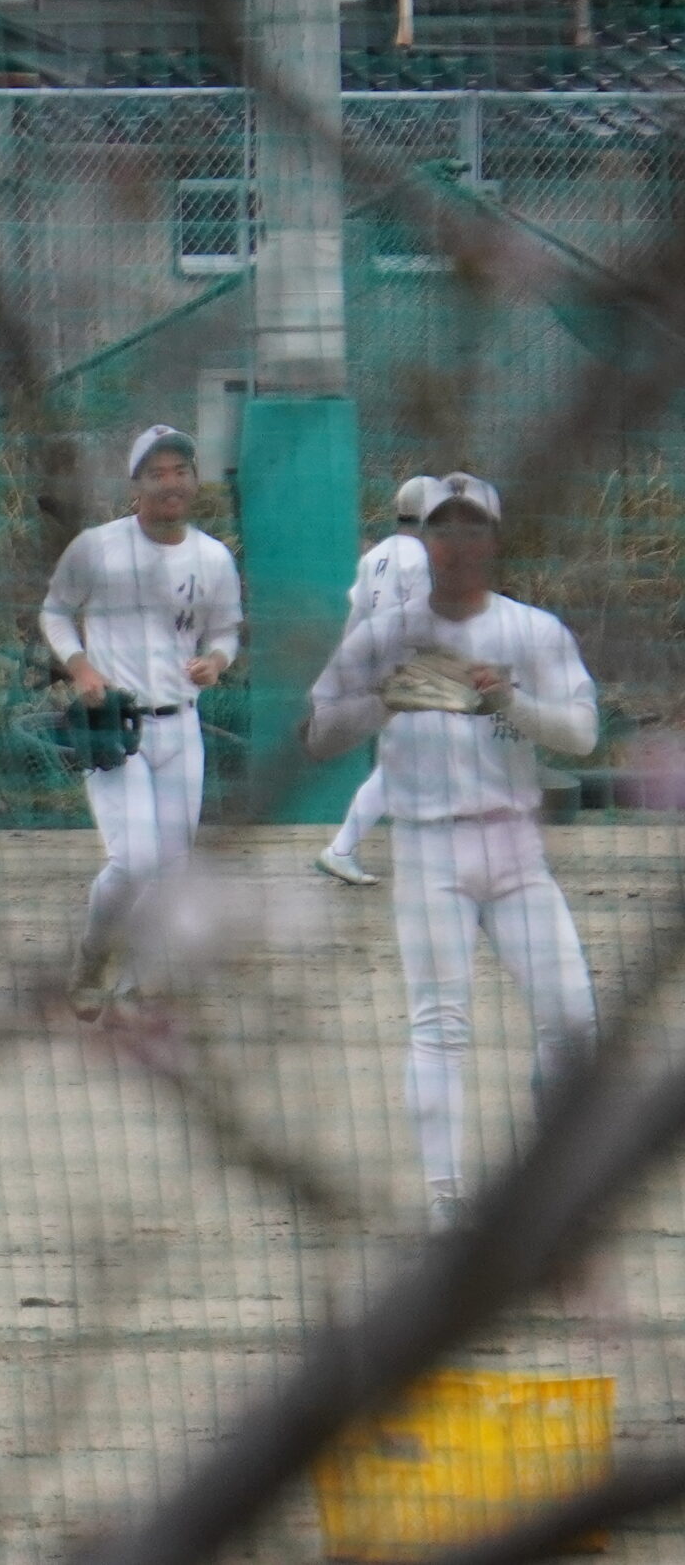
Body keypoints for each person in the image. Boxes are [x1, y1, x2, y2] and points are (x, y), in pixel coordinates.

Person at [304, 473, 599, 1231]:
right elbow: (318, 734)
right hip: (429, 846)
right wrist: (384, 699)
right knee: (440, 1024)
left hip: (514, 845)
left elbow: (583, 734)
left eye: (473, 528)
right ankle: (445, 1199)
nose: (458, 542)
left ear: (495, 541)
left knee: (573, 1017)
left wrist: (513, 703)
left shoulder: (532, 630)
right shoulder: (386, 634)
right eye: (444, 528)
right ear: (423, 540)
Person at [39, 425, 244, 1019]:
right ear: (135, 485)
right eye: (157, 473)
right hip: (117, 726)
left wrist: (217, 661)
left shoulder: (212, 557)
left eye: (180, 470)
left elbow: (226, 630)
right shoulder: (98, 548)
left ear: (195, 481)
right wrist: (80, 667)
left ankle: (133, 988)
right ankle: (91, 959)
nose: (170, 482)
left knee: (172, 869)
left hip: (181, 726)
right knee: (133, 862)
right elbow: (55, 612)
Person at [314, 474, 442, 887]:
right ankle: (342, 849)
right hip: (408, 675)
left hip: (379, 674)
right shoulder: (421, 559)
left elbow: (356, 620)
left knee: (408, 765)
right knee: (402, 767)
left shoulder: (376, 556)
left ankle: (358, 849)